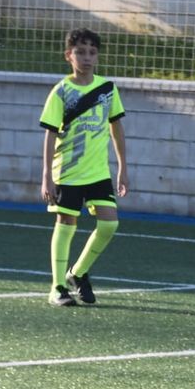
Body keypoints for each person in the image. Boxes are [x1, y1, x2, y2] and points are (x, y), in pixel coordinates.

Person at [40, 27, 128, 307]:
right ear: (69, 55)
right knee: (66, 223)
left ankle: (77, 272)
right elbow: (50, 133)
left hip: (99, 172)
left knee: (109, 224)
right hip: (67, 172)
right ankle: (56, 288)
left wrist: (123, 166)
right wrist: (46, 177)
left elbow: (116, 127)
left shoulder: (107, 89)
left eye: (92, 52)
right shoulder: (61, 92)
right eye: (80, 52)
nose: (87, 58)